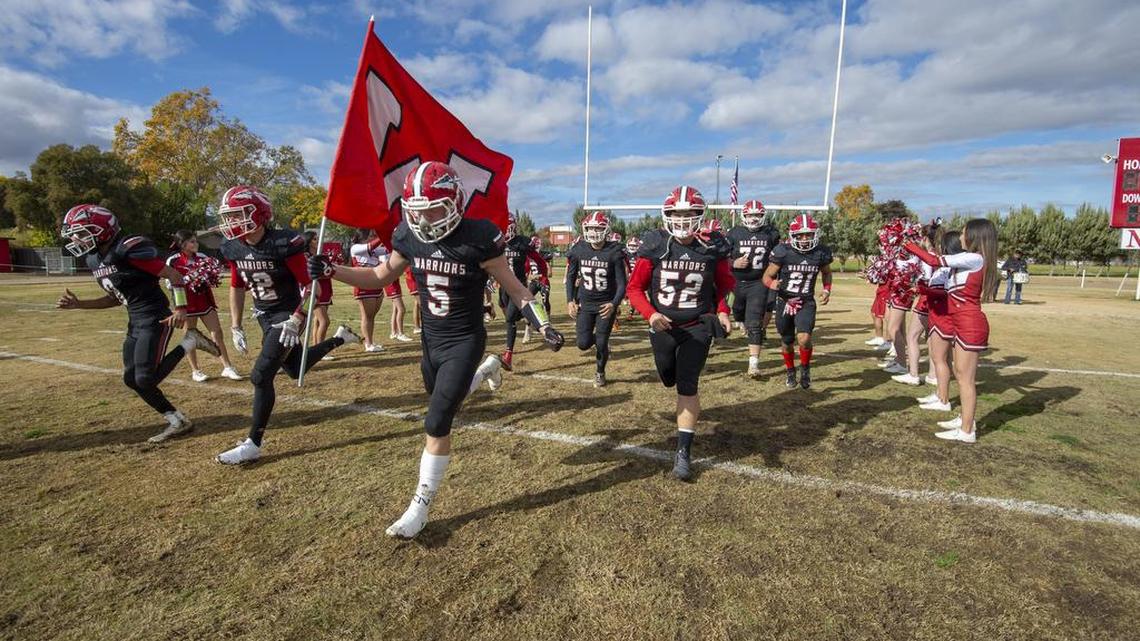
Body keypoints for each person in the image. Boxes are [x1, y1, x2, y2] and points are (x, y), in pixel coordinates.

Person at [308, 161, 564, 538]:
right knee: (445, 402)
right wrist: (334, 271)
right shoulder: (408, 236)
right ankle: (489, 369)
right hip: (431, 340)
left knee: (436, 421)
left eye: (433, 209)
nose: (425, 219)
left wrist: (541, 322)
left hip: (464, 338)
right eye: (417, 211)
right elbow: (380, 276)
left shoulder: (478, 237)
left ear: (455, 202)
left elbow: (516, 288)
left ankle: (420, 507)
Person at [214, 186, 361, 464]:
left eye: (237, 215)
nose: (231, 222)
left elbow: (312, 288)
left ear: (258, 214)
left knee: (260, 376)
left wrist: (297, 319)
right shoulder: (233, 247)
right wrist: (235, 324)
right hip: (264, 316)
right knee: (295, 368)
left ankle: (253, 443)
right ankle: (340, 338)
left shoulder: (283, 243)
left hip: (288, 315)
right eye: (229, 216)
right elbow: (236, 286)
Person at [57, 205, 220, 443]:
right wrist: (80, 304)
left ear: (102, 229)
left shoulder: (128, 248)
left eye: (82, 233)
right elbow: (115, 298)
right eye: (75, 234)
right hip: (135, 319)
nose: (76, 239)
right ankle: (177, 420)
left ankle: (189, 340)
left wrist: (181, 309)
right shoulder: (94, 259)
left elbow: (174, 276)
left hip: (155, 316)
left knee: (145, 379)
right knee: (131, 379)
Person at [627, 186, 734, 481]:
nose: (683, 220)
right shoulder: (656, 244)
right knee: (668, 376)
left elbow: (724, 285)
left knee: (687, 384)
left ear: (700, 215)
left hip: (697, 325)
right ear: (667, 215)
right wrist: (651, 314)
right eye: (677, 213)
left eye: (689, 214)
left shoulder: (713, 247)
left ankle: (683, 452)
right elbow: (634, 288)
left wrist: (722, 309)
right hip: (662, 325)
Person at [905, 219, 998, 443]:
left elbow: (933, 260)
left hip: (969, 323)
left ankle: (967, 431)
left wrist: (908, 245)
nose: (961, 237)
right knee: (960, 373)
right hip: (962, 322)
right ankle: (966, 420)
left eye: (965, 233)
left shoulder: (975, 258)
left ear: (975, 237)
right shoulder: (971, 260)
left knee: (966, 380)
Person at [762, 214, 833, 390]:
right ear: (793, 236)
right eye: (800, 235)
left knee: (804, 338)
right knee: (786, 342)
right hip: (785, 301)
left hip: (806, 301)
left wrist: (826, 289)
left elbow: (826, 272)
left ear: (815, 234)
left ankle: (805, 368)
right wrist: (772, 284)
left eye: (808, 234)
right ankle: (790, 370)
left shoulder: (821, 252)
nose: (804, 238)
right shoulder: (783, 251)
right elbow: (767, 276)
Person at [165, 230, 242, 382]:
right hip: (185, 303)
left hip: (204, 301)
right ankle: (196, 370)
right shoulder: (173, 261)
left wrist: (207, 278)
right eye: (192, 241)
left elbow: (212, 277)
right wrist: (189, 279)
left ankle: (227, 367)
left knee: (217, 332)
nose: (196, 244)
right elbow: (169, 283)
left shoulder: (202, 257)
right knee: (191, 336)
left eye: (196, 241)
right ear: (183, 244)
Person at [566, 211, 629, 387]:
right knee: (583, 344)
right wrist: (570, 300)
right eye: (590, 227)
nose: (593, 231)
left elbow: (622, 284)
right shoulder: (579, 249)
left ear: (606, 229)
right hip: (585, 304)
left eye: (597, 228)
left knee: (601, 342)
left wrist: (614, 303)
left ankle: (600, 372)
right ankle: (602, 344)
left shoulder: (614, 251)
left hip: (605, 305)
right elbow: (571, 277)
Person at [726, 199, 782, 379]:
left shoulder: (771, 234)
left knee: (754, 323)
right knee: (738, 313)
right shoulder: (734, 233)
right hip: (737, 281)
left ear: (763, 216)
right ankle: (741, 322)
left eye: (757, 215)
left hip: (759, 282)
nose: (753, 219)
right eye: (750, 215)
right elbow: (721, 257)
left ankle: (753, 364)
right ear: (744, 216)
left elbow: (779, 257)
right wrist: (733, 262)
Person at [915, 230, 961, 413]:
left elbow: (946, 294)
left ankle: (943, 400)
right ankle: (941, 394)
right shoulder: (947, 267)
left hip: (943, 317)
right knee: (940, 358)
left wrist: (924, 291)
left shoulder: (949, 268)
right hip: (937, 315)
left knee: (940, 358)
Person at [498, 212, 549, 370]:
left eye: (507, 226)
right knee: (509, 313)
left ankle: (508, 355)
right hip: (503, 287)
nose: (505, 230)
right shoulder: (495, 242)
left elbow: (539, 260)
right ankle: (531, 316)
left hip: (518, 286)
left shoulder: (522, 242)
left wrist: (543, 276)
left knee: (510, 319)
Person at [349, 229, 388, 352]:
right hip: (364, 285)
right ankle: (368, 344)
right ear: (363, 237)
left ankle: (371, 341)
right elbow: (372, 245)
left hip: (376, 284)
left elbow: (389, 249)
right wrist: (383, 235)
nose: (373, 238)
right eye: (371, 236)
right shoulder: (355, 248)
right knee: (367, 316)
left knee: (372, 317)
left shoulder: (374, 250)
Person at [302, 231, 334, 346]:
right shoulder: (306, 256)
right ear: (308, 242)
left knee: (318, 321)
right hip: (314, 291)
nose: (318, 241)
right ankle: (320, 349)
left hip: (325, 289)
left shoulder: (320, 254)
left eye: (318, 238)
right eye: (315, 239)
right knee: (325, 321)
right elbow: (310, 273)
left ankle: (316, 347)